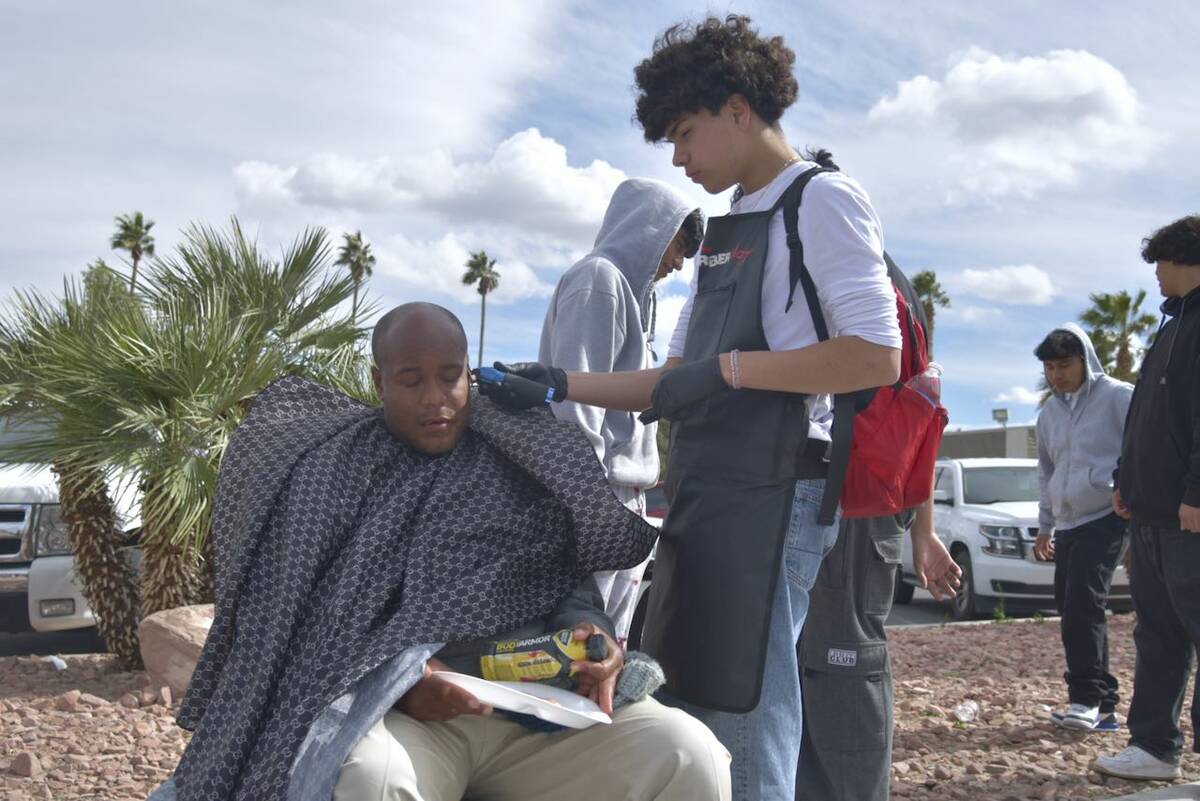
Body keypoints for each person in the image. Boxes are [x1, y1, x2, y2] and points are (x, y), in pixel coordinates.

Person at [481, 16, 902, 801]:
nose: (677, 158)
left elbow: (878, 355)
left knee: (748, 702)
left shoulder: (823, 201)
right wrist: (558, 384)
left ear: (737, 110)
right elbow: (670, 378)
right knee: (695, 695)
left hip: (780, 490)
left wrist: (732, 369)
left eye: (684, 133)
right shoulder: (728, 229)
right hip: (710, 487)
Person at [150, 303, 730, 801]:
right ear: (379, 383)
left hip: (543, 719)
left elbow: (569, 586)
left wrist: (591, 635)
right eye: (411, 380)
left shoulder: (519, 463)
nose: (437, 400)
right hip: (409, 719)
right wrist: (408, 681)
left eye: (450, 377)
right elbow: (305, 627)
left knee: (688, 753)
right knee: (373, 781)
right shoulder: (328, 479)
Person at [795, 265, 960, 801]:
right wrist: (922, 533)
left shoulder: (858, 275)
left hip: (852, 512)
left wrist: (922, 532)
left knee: (841, 661)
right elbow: (916, 413)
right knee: (809, 665)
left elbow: (907, 417)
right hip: (848, 506)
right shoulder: (863, 275)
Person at [540, 178, 705, 645]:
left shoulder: (629, 296)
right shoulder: (600, 282)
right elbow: (579, 404)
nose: (676, 263)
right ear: (648, 229)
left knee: (606, 646)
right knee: (585, 645)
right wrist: (588, 511)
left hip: (616, 494)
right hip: (597, 495)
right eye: (675, 245)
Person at [1095, 216, 1200, 782]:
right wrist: (1125, 483)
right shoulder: (1172, 325)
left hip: (1191, 518)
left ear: (1185, 259)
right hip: (1153, 515)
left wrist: (1197, 492)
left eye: (1160, 262)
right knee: (1157, 633)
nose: (1156, 275)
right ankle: (1155, 749)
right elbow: (1144, 420)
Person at [1030, 324, 1132, 733]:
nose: (1057, 374)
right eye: (1050, 367)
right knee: (1072, 606)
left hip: (1107, 514)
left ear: (1085, 359)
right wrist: (1045, 524)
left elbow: (1142, 447)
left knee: (1082, 606)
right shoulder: (1049, 414)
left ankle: (1085, 700)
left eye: (1065, 364)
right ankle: (1105, 706)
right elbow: (1046, 471)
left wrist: (1128, 490)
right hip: (1068, 522)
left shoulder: (1119, 397)